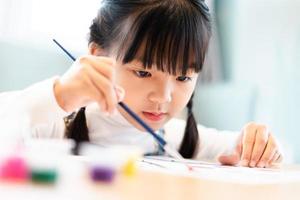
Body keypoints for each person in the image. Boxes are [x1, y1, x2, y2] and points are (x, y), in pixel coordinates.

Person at [0, 0, 282, 168]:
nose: (163, 97)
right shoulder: (54, 127)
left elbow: (254, 151)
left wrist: (258, 146)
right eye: (144, 73)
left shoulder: (178, 138)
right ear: (98, 56)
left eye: (183, 77)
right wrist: (59, 96)